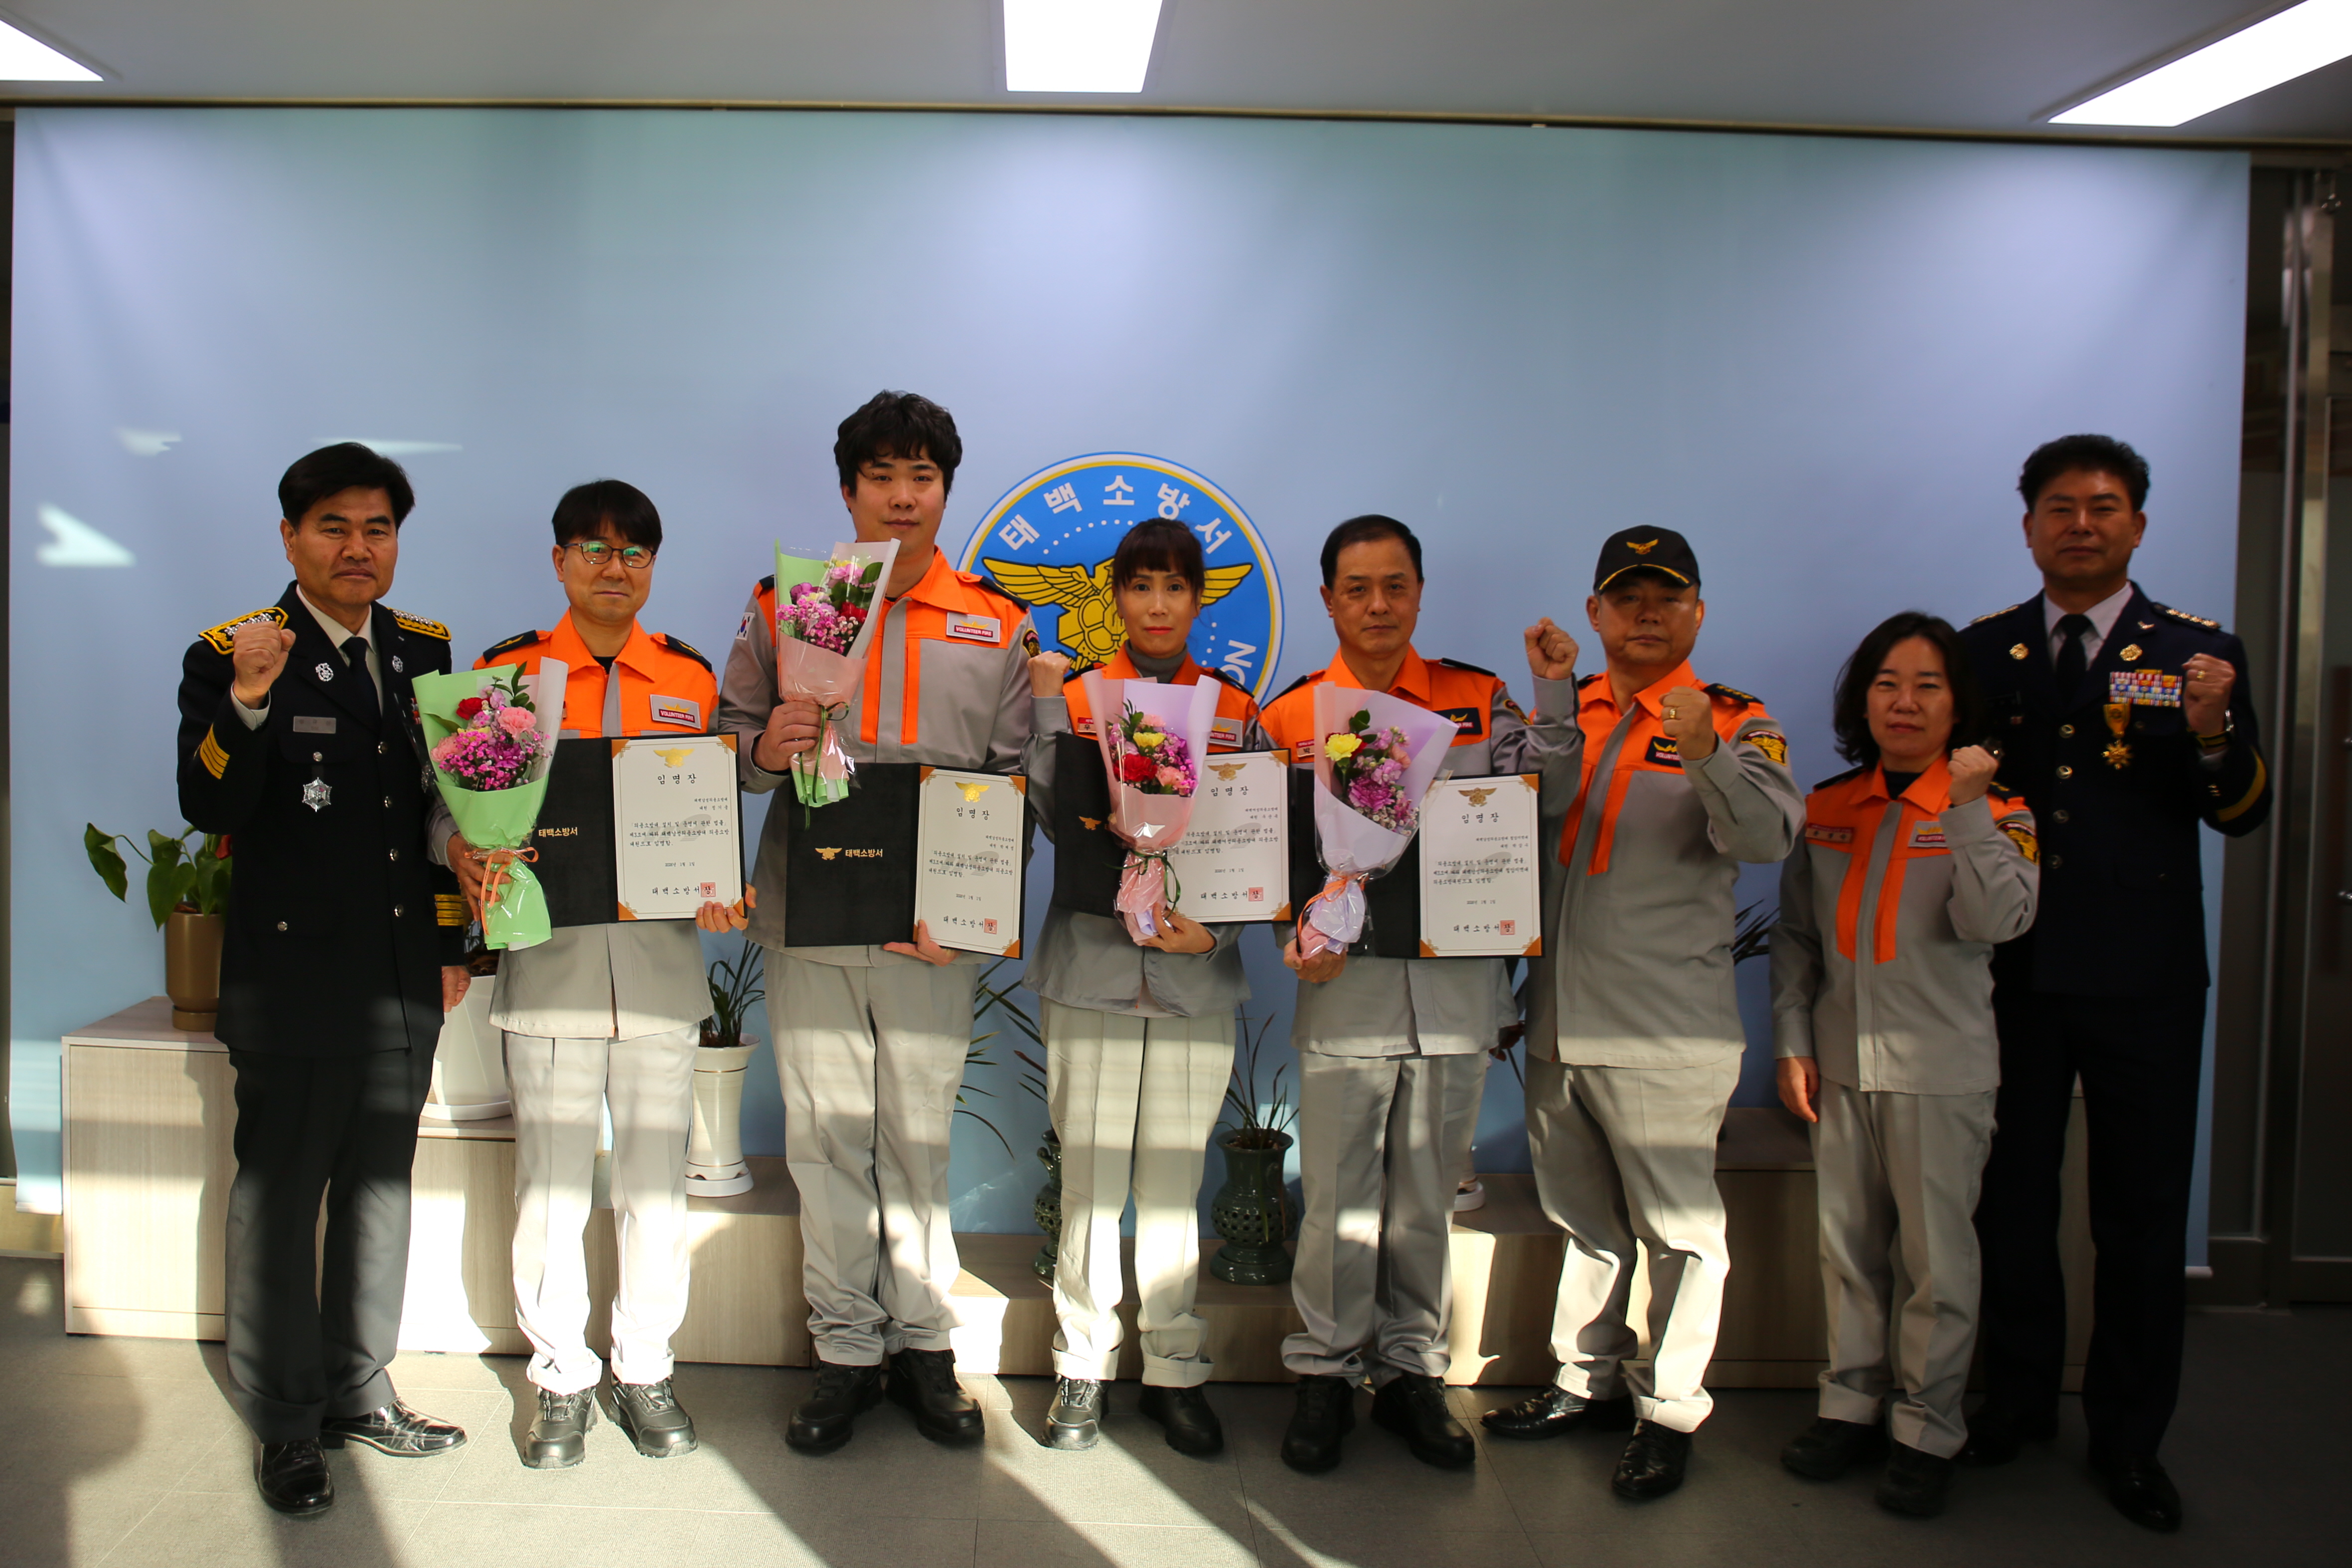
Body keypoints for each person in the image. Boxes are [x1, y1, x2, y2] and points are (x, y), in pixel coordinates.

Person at [1958, 435, 2270, 1533]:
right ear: (2028, 526)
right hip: (2013, 969)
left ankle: (2131, 1438)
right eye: (2059, 507)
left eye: (2101, 507)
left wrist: (2212, 733)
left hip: (2144, 974)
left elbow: (2240, 812)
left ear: (2136, 523)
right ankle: (2015, 1402)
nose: (2079, 525)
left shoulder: (2197, 653)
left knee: (2139, 1211)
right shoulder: (1984, 651)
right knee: (2012, 1199)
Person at [718, 391, 1032, 1453]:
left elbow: (1013, 784)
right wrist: (766, 748)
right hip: (809, 915)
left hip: (927, 933)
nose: (903, 496)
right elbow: (728, 742)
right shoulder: (789, 603)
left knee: (917, 1139)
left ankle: (926, 1345)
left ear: (946, 490)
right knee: (825, 1142)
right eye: (882, 476)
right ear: (848, 490)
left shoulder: (994, 622)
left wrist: (972, 915)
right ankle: (846, 1349)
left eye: (922, 477)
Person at [175, 443, 473, 1517]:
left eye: (377, 528)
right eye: (333, 527)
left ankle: (359, 1388)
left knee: (380, 1192)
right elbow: (209, 807)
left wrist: (453, 942)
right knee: (280, 1197)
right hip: (294, 980)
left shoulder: (425, 651)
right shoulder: (232, 653)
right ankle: (286, 1422)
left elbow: (440, 806)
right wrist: (250, 701)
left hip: (401, 975)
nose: (358, 547)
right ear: (291, 537)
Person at [1257, 514, 1583, 1474]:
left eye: (1395, 586)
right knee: (1337, 1198)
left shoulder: (1478, 700)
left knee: (1426, 1199)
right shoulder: (1294, 714)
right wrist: (1293, 937)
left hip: (1454, 990)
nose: (1378, 605)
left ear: (1420, 593)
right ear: (1328, 600)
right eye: (1357, 589)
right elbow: (1267, 852)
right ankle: (1324, 1370)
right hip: (1345, 990)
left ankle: (1412, 1370)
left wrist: (1553, 693)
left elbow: (1549, 797)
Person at [1487, 526, 1801, 1501]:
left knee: (1679, 1234)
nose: (1646, 613)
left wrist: (1703, 748)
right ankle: (1582, 1380)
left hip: (1668, 1028)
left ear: (1697, 611)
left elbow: (1766, 836)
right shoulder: (1564, 710)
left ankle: (1667, 1410)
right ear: (1595, 612)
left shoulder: (1736, 719)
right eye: (1627, 596)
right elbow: (1515, 830)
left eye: (1666, 596)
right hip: (1559, 1018)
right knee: (1584, 1222)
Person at [436, 480, 745, 1469]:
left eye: (635, 552)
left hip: (659, 974)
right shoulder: (508, 676)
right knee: (553, 1191)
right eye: (595, 549)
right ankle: (562, 1376)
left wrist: (719, 885)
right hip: (550, 970)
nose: (616, 569)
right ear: (560, 560)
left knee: (656, 1189)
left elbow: (712, 812)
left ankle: (646, 1368)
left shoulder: (689, 678)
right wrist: (460, 850)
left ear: (652, 566)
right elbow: (452, 808)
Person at [1771, 613, 2039, 1519]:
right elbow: (1797, 940)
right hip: (1841, 1067)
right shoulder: (1829, 807)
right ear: (1864, 700)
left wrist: (1964, 807)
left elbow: (2000, 922)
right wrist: (1795, 1042)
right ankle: (1849, 1404)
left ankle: (1927, 1428)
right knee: (1848, 1252)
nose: (1906, 702)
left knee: (1937, 1265)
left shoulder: (1997, 811)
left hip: (1942, 1072)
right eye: (1888, 683)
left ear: (1958, 704)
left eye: (1928, 685)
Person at [1019, 518, 1268, 1458]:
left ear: (1199, 599)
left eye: (1175, 587)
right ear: (1116, 596)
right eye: (1139, 586)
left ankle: (1173, 1365)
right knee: (1089, 1180)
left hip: (1194, 974)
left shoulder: (1235, 708)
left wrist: (1222, 932)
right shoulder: (1081, 697)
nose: (1157, 604)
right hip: (1091, 966)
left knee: (1171, 1183)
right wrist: (1047, 711)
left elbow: (1258, 841)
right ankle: (1083, 1362)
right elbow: (1049, 814)